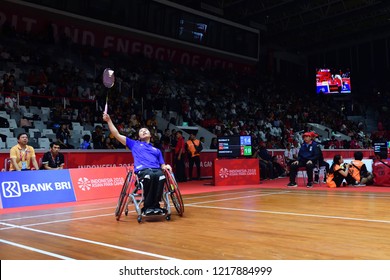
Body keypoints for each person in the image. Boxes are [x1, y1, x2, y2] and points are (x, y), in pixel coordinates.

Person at [103, 112, 172, 215]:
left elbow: (162, 165)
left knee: (160, 176)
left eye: (145, 130)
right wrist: (109, 120)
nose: (144, 131)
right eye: (141, 131)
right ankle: (147, 207)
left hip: (156, 170)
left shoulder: (157, 150)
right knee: (150, 175)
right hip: (143, 170)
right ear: (139, 136)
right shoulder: (134, 144)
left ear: (150, 134)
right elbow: (116, 134)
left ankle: (156, 206)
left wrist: (166, 166)